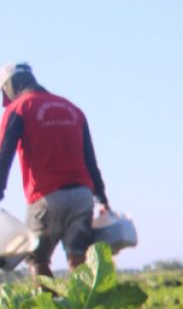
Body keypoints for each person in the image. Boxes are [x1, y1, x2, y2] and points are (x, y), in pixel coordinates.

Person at [0, 63, 109, 278]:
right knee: (79, 258)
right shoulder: (72, 109)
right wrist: (102, 199)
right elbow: (91, 161)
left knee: (37, 259)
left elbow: (4, 154)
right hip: (82, 197)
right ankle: (84, 308)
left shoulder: (19, 109)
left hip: (47, 199)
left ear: (11, 85)